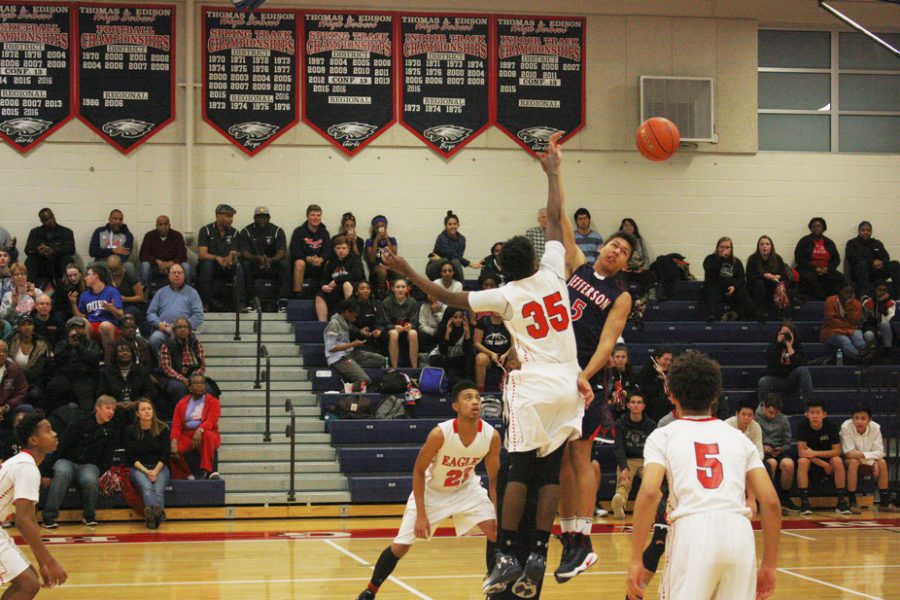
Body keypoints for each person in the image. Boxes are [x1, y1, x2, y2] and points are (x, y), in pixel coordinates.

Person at [383, 131, 593, 598]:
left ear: (503, 267)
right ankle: (540, 552)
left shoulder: (505, 294)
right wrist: (553, 171)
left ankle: (507, 559)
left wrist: (407, 272)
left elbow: (445, 295)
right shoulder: (555, 270)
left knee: (517, 470)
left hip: (533, 384)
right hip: (568, 382)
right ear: (536, 258)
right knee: (552, 469)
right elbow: (558, 220)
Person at [625, 351, 780, 600]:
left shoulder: (663, 435)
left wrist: (635, 560)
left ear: (671, 394)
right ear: (716, 395)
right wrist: (769, 565)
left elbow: (650, 492)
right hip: (739, 532)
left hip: (691, 530)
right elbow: (771, 503)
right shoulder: (739, 438)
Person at [556, 162, 634, 581]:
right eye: (613, 245)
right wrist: (555, 173)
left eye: (623, 251)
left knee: (581, 458)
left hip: (586, 376)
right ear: (602, 247)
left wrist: (585, 375)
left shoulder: (619, 296)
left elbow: (608, 344)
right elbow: (562, 218)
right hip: (559, 370)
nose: (615, 251)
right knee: (564, 461)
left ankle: (584, 539)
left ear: (624, 265)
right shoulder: (579, 266)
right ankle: (570, 538)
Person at [355, 381, 501, 600]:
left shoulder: (491, 436)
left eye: (477, 398)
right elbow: (418, 471)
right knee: (400, 547)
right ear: (456, 406)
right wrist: (422, 515)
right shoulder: (440, 434)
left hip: (466, 489)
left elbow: (495, 480)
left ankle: (492, 589)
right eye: (468, 398)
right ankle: (370, 591)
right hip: (433, 492)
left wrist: (499, 512)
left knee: (495, 531)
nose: (475, 402)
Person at [0, 414, 68, 593]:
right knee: (27, 584)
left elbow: (29, 518)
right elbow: (22, 522)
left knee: (29, 580)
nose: (54, 434)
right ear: (33, 440)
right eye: (47, 430)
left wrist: (42, 563)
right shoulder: (27, 468)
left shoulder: (25, 464)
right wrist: (51, 562)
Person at [42, 396, 125, 528]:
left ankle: (89, 516)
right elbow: (61, 446)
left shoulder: (113, 428)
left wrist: (103, 472)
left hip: (90, 464)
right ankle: (49, 516)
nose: (111, 412)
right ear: (97, 408)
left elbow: (108, 455)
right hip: (67, 460)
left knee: (90, 479)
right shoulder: (80, 422)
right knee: (62, 472)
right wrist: (46, 472)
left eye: (113, 409)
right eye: (107, 408)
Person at [796, 399, 849, 515]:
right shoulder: (802, 425)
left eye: (818, 412)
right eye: (812, 412)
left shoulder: (831, 426)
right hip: (811, 461)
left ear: (824, 414)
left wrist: (815, 453)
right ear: (807, 414)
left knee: (838, 460)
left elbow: (837, 451)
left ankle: (841, 502)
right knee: (802, 461)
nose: (815, 416)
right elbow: (802, 451)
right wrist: (823, 464)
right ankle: (804, 503)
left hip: (825, 458)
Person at [124, 398, 171, 529]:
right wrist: (146, 471)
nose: (147, 412)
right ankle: (157, 515)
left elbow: (166, 454)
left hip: (159, 467)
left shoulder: (163, 429)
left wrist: (155, 471)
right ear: (137, 414)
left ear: (153, 411)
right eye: (143, 409)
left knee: (158, 489)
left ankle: (151, 518)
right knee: (147, 487)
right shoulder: (130, 430)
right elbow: (131, 456)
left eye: (149, 409)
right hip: (139, 468)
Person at [611, 391, 656, 520]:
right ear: (628, 405)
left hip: (646, 460)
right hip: (628, 460)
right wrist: (624, 467)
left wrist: (652, 466)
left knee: (653, 481)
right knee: (624, 481)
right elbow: (618, 448)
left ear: (643, 406)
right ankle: (619, 503)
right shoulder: (620, 424)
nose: (636, 405)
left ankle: (655, 508)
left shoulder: (651, 425)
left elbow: (654, 448)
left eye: (639, 402)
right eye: (633, 402)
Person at [840, 405, 892, 514]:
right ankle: (852, 502)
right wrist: (872, 462)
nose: (859, 421)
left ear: (869, 420)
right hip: (848, 460)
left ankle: (884, 503)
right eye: (856, 418)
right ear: (852, 419)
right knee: (854, 462)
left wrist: (873, 462)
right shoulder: (846, 426)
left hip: (864, 459)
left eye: (863, 418)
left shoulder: (876, 427)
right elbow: (849, 453)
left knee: (882, 462)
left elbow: (880, 452)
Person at [43, 317, 102, 412]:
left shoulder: (92, 344)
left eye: (80, 327)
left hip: (84, 377)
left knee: (86, 402)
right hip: (64, 376)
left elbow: (94, 359)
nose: (77, 330)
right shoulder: (62, 344)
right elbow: (57, 360)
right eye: (74, 328)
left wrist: (79, 347)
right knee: (52, 388)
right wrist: (68, 346)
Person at [324, 299, 383, 392]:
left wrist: (367, 333)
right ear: (347, 312)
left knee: (380, 360)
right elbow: (331, 348)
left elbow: (354, 332)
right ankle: (343, 392)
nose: (355, 318)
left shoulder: (347, 322)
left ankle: (354, 367)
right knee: (364, 380)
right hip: (338, 358)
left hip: (350, 353)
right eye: (354, 315)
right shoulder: (334, 324)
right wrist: (352, 344)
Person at [169, 374, 221, 480]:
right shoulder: (182, 403)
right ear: (190, 387)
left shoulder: (213, 401)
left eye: (202, 383)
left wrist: (200, 429)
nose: (200, 386)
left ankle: (209, 470)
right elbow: (176, 425)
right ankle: (186, 474)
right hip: (187, 434)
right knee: (172, 449)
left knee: (207, 435)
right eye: (196, 383)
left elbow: (212, 420)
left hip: (207, 432)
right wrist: (174, 441)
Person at [755, 393, 800, 514]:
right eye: (770, 412)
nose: (773, 415)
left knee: (788, 464)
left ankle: (785, 497)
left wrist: (781, 449)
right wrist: (762, 447)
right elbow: (752, 439)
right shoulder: (754, 417)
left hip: (779, 451)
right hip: (761, 451)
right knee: (772, 464)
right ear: (764, 406)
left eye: (775, 413)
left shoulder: (783, 419)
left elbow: (788, 442)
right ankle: (768, 498)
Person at [145, 264, 204, 354]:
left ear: (184, 275)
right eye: (174, 273)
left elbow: (199, 315)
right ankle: (163, 365)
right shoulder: (160, 293)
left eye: (179, 273)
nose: (176, 275)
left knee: (189, 341)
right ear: (169, 276)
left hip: (184, 331)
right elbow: (151, 313)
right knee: (154, 339)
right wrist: (159, 323)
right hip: (164, 331)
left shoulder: (192, 293)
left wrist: (184, 327)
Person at [757, 321, 814, 412]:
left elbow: (799, 364)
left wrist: (789, 347)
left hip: (792, 380)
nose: (785, 336)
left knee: (803, 370)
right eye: (783, 333)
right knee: (764, 381)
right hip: (777, 380)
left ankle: (809, 408)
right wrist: (777, 344)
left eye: (788, 333)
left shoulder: (797, 347)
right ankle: (762, 411)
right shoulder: (773, 347)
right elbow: (772, 364)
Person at [238, 206, 290, 304]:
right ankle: (250, 301)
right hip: (255, 265)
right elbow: (244, 252)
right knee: (245, 265)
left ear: (269, 218)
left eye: (264, 217)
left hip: (272, 265)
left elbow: (282, 252)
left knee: (285, 265)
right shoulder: (246, 231)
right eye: (259, 217)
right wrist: (257, 258)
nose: (262, 220)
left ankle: (282, 301)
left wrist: (271, 260)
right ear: (254, 218)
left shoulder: (277, 230)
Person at [196, 204, 244, 310]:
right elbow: (202, 253)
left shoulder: (234, 232)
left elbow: (238, 251)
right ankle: (205, 303)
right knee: (206, 264)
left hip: (228, 265)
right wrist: (217, 258)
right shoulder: (206, 230)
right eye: (228, 216)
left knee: (238, 265)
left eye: (231, 217)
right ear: (218, 216)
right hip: (212, 265)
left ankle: (240, 304)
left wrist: (232, 255)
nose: (231, 219)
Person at [701, 236, 758, 322]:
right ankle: (711, 315)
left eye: (727, 247)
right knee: (710, 291)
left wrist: (734, 287)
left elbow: (741, 279)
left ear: (731, 249)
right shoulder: (710, 259)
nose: (724, 249)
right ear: (717, 248)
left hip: (730, 290)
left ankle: (756, 314)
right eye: (721, 247)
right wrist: (721, 259)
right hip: (715, 288)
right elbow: (710, 273)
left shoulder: (736, 262)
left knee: (743, 292)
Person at [725, 399, 766, 514]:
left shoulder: (756, 427)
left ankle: (753, 501)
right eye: (743, 414)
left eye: (750, 415)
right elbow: (723, 450)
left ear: (753, 416)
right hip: (728, 460)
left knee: (757, 467)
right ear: (737, 414)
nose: (746, 418)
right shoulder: (726, 425)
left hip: (748, 460)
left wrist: (751, 460)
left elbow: (760, 451)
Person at [158, 317, 207, 410]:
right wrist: (183, 379)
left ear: (189, 330)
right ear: (174, 330)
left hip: (193, 376)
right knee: (179, 389)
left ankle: (203, 417)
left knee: (208, 389)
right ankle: (181, 417)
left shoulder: (196, 344)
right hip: (174, 377)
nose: (182, 329)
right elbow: (166, 368)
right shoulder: (167, 345)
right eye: (179, 327)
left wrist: (194, 379)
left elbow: (202, 365)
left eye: (185, 327)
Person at [73, 264, 123, 357]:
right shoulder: (84, 295)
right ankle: (87, 358)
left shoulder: (112, 291)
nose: (85, 278)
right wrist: (73, 304)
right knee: (82, 323)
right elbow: (81, 317)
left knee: (105, 325)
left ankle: (109, 360)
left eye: (88, 275)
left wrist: (111, 309)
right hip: (91, 326)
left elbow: (120, 315)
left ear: (96, 276)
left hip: (109, 325)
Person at [315, 235, 365, 321]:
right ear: (334, 249)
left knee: (346, 285)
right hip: (335, 290)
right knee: (319, 296)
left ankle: (351, 320)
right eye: (338, 248)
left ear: (348, 248)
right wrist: (323, 286)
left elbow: (357, 275)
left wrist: (336, 281)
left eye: (343, 248)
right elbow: (325, 278)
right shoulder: (331, 261)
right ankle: (322, 324)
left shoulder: (355, 259)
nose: (341, 251)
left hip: (352, 287)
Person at [23, 208, 76, 289]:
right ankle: (29, 287)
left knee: (68, 259)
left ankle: (68, 288)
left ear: (54, 216)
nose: (50, 221)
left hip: (58, 261)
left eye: (51, 218)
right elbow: (27, 249)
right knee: (30, 260)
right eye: (47, 220)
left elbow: (71, 249)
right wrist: (38, 250)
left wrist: (53, 251)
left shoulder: (66, 232)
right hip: (41, 262)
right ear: (42, 221)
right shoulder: (35, 232)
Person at [845, 220, 900, 297]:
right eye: (863, 230)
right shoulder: (852, 243)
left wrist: (881, 262)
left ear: (871, 231)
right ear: (859, 231)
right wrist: (871, 262)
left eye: (868, 230)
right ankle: (864, 296)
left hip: (876, 272)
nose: (866, 232)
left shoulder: (877, 243)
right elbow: (853, 258)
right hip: (860, 272)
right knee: (862, 264)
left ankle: (898, 294)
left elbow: (886, 257)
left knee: (895, 264)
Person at [794, 217, 844, 300]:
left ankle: (831, 303)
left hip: (826, 269)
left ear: (823, 228)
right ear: (810, 228)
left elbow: (836, 259)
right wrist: (814, 268)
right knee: (810, 279)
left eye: (819, 226)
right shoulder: (804, 241)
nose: (816, 228)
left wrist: (827, 268)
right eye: (814, 226)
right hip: (808, 269)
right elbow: (799, 258)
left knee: (839, 278)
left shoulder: (829, 242)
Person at [426, 210, 481, 283]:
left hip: (450, 267)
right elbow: (451, 255)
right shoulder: (441, 237)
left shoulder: (462, 239)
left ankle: (459, 288)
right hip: (434, 268)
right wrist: (470, 264)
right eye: (450, 224)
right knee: (445, 261)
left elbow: (458, 258)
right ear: (446, 226)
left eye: (455, 224)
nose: (453, 226)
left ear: (458, 225)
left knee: (454, 261)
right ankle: (461, 288)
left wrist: (439, 258)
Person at [746, 235, 793, 320]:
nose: (764, 246)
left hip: (773, 285)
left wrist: (779, 276)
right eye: (762, 244)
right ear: (758, 247)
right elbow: (750, 276)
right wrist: (764, 275)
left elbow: (784, 275)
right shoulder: (753, 259)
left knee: (782, 285)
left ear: (771, 247)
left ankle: (783, 313)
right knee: (759, 283)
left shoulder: (777, 258)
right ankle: (760, 311)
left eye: (767, 244)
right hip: (757, 287)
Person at [97, 340, 155, 409]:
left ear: (132, 354)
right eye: (121, 351)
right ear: (115, 355)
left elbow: (149, 393)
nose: (125, 353)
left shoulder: (142, 371)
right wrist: (116, 404)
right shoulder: (106, 372)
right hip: (113, 409)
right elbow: (102, 395)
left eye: (128, 351)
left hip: (138, 409)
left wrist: (136, 403)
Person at [139, 214, 190, 289]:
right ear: (156, 226)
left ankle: (187, 292)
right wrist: (157, 261)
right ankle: (144, 293)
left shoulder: (177, 235)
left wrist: (171, 263)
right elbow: (143, 254)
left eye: (165, 224)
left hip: (173, 266)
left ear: (169, 225)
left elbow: (182, 254)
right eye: (160, 224)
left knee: (186, 266)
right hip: (155, 266)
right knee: (145, 265)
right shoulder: (149, 236)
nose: (163, 227)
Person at [290, 204, 330, 298]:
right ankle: (297, 296)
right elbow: (295, 251)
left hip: (319, 263)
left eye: (318, 215)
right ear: (307, 216)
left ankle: (326, 294)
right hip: (305, 262)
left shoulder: (324, 232)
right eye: (312, 215)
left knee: (329, 262)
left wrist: (321, 259)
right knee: (299, 263)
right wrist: (307, 258)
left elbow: (328, 251)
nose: (315, 218)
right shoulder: (298, 231)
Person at [820, 284, 868, 363]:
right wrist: (848, 325)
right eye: (846, 292)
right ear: (840, 292)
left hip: (851, 330)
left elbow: (855, 321)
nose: (848, 295)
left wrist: (849, 305)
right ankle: (862, 358)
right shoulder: (831, 300)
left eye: (851, 293)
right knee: (844, 340)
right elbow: (831, 321)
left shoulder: (856, 303)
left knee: (858, 339)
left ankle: (868, 354)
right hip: (832, 331)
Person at [8, 315, 50, 405]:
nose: (27, 328)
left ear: (33, 327)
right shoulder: (11, 341)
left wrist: (16, 368)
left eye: (29, 324)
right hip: (11, 380)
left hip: (31, 383)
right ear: (19, 328)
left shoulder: (41, 347)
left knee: (35, 394)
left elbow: (36, 373)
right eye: (23, 325)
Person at [381, 278, 419, 369]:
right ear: (393, 289)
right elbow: (385, 322)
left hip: (407, 329)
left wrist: (410, 325)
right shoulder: (386, 302)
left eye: (403, 287)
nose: (400, 289)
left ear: (407, 289)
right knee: (394, 334)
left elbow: (414, 320)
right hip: (392, 329)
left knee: (413, 333)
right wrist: (393, 326)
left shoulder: (413, 302)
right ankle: (395, 367)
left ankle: (414, 367)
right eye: (398, 287)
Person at [618, 218, 657, 303]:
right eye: (625, 225)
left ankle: (646, 299)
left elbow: (646, 257)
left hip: (639, 269)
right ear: (622, 228)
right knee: (618, 277)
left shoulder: (639, 241)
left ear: (634, 228)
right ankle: (622, 300)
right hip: (624, 270)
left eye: (630, 225)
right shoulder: (618, 241)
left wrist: (643, 268)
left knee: (650, 275)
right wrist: (622, 267)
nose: (628, 227)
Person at [473, 312, 513, 393]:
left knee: (517, 358)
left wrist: (506, 354)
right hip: (488, 355)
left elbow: (514, 344)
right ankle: (480, 391)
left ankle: (514, 389)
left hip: (505, 356)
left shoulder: (509, 322)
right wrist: (491, 354)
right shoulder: (483, 321)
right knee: (480, 358)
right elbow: (476, 343)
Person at [88, 209, 135, 277]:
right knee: (91, 265)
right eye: (115, 219)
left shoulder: (128, 235)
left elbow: (125, 255)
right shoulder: (99, 231)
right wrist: (112, 250)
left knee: (129, 266)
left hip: (119, 263)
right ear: (109, 219)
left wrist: (114, 263)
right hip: (101, 261)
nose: (118, 221)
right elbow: (92, 251)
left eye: (120, 219)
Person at [431, 309, 473, 386]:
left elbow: (468, 350)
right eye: (455, 317)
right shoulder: (443, 327)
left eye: (460, 317)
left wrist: (467, 332)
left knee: (467, 360)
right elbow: (443, 351)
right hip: (441, 357)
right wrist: (447, 333)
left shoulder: (466, 327)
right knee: (447, 362)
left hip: (458, 358)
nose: (458, 320)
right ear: (450, 318)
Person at [637, 348, 674, 422]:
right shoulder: (646, 373)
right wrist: (660, 378)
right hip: (651, 408)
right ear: (657, 359)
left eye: (670, 360)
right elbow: (649, 393)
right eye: (665, 359)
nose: (668, 362)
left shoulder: (672, 373)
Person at [364, 215, 398, 296]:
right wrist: (376, 241)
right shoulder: (369, 241)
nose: (380, 228)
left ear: (386, 227)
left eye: (383, 226)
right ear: (374, 229)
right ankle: (381, 290)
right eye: (377, 227)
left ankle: (397, 291)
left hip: (389, 264)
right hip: (377, 265)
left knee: (400, 271)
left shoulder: (392, 240)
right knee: (382, 271)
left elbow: (394, 256)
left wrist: (387, 240)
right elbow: (372, 259)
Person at [861, 283, 895, 361]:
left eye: (884, 290)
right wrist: (878, 302)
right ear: (874, 290)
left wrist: (883, 302)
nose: (882, 292)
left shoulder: (891, 302)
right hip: (870, 327)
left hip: (886, 329)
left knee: (884, 323)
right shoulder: (867, 301)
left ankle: (887, 349)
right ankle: (871, 354)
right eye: (879, 290)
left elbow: (889, 317)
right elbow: (868, 314)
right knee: (868, 335)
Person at [106, 255, 144, 323]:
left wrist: (124, 299)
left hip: (129, 305)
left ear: (121, 265)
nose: (114, 273)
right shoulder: (107, 276)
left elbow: (140, 297)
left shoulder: (130, 275)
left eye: (116, 269)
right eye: (111, 270)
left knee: (125, 318)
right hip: (113, 306)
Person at [604, 344, 636, 419]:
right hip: (611, 403)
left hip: (627, 402)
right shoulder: (607, 372)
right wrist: (612, 395)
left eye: (623, 357)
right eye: (617, 356)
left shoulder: (631, 372)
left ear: (627, 359)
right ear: (612, 358)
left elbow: (636, 390)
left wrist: (626, 393)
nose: (620, 359)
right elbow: (604, 390)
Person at [352, 281, 385, 353]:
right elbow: (348, 325)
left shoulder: (376, 304)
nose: (366, 290)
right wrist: (359, 331)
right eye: (362, 288)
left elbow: (380, 320)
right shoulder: (351, 305)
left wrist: (378, 329)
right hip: (356, 338)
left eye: (368, 288)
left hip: (373, 336)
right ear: (356, 292)